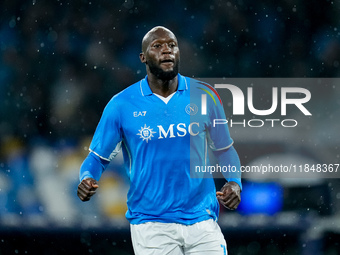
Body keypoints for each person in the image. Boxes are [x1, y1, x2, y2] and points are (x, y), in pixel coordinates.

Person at [77, 26, 242, 255]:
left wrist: (234, 182)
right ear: (143, 58)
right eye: (157, 46)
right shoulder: (121, 105)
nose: (166, 51)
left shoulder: (206, 95)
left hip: (202, 220)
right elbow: (97, 158)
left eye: (172, 45)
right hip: (152, 225)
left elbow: (225, 149)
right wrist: (87, 177)